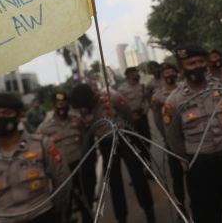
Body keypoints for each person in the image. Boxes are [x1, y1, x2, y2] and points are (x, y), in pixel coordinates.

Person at [164, 44, 222, 223]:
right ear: (182, 67)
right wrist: (193, 158)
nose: (197, 66)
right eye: (191, 63)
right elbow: (174, 139)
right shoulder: (173, 101)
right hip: (201, 168)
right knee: (207, 216)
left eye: (200, 61)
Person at [0, 93, 70, 223]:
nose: (0, 119)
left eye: (7, 113)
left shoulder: (42, 145)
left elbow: (62, 179)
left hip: (43, 215)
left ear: (19, 115)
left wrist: (56, 211)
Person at [70, 83, 156, 223]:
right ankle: (121, 218)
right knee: (114, 183)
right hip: (106, 144)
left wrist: (130, 135)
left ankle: (149, 212)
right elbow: (86, 131)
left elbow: (128, 116)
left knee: (138, 176)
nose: (84, 108)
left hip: (124, 139)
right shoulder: (84, 109)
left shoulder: (112, 97)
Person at [36, 91, 93, 223]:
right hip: (60, 173)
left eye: (64, 103)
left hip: (79, 168)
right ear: (53, 105)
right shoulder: (44, 128)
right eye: (58, 104)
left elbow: (86, 138)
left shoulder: (76, 120)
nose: (61, 106)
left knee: (85, 202)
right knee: (63, 206)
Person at [151, 62, 187, 216]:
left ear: (176, 73)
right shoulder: (158, 97)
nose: (169, 75)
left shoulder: (184, 89)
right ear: (162, 75)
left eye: (171, 71)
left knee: (194, 173)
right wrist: (167, 137)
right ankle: (182, 210)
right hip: (171, 142)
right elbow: (158, 120)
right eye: (165, 72)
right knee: (177, 177)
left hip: (189, 138)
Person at [118, 67, 152, 161]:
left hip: (142, 115)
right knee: (136, 141)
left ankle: (147, 158)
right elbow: (120, 107)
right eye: (135, 72)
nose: (137, 74)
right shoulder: (122, 89)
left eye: (137, 72)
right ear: (128, 75)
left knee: (147, 138)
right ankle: (143, 161)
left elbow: (145, 99)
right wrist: (130, 116)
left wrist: (146, 107)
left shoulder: (141, 86)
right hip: (131, 117)